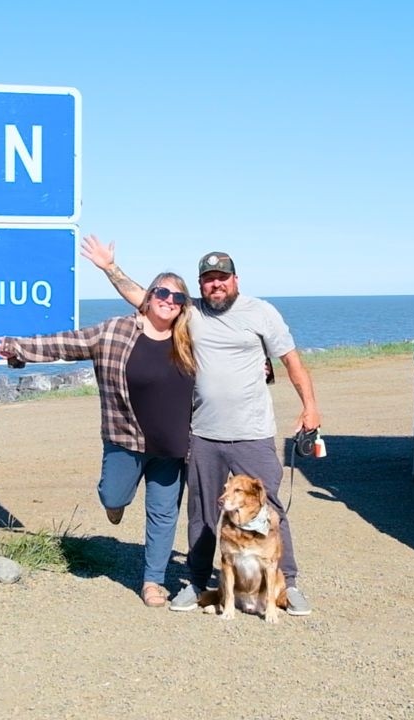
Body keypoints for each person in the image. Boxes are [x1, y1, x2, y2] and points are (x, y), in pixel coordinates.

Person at [81, 234, 322, 616]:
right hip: (203, 435)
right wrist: (109, 267)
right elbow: (146, 298)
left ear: (236, 280)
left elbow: (292, 361)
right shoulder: (190, 313)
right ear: (200, 285)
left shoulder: (261, 313)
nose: (216, 284)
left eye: (222, 277)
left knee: (270, 508)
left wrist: (310, 408)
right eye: (209, 279)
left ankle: (287, 584)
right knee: (203, 512)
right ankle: (196, 582)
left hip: (253, 433)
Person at [0, 273, 197, 608]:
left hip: (173, 446)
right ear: (149, 296)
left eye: (177, 298)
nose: (169, 301)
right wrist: (18, 347)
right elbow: (67, 343)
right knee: (113, 494)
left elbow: (229, 357)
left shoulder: (190, 337)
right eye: (162, 292)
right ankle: (115, 504)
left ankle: (153, 581)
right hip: (124, 437)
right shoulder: (115, 331)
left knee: (164, 512)